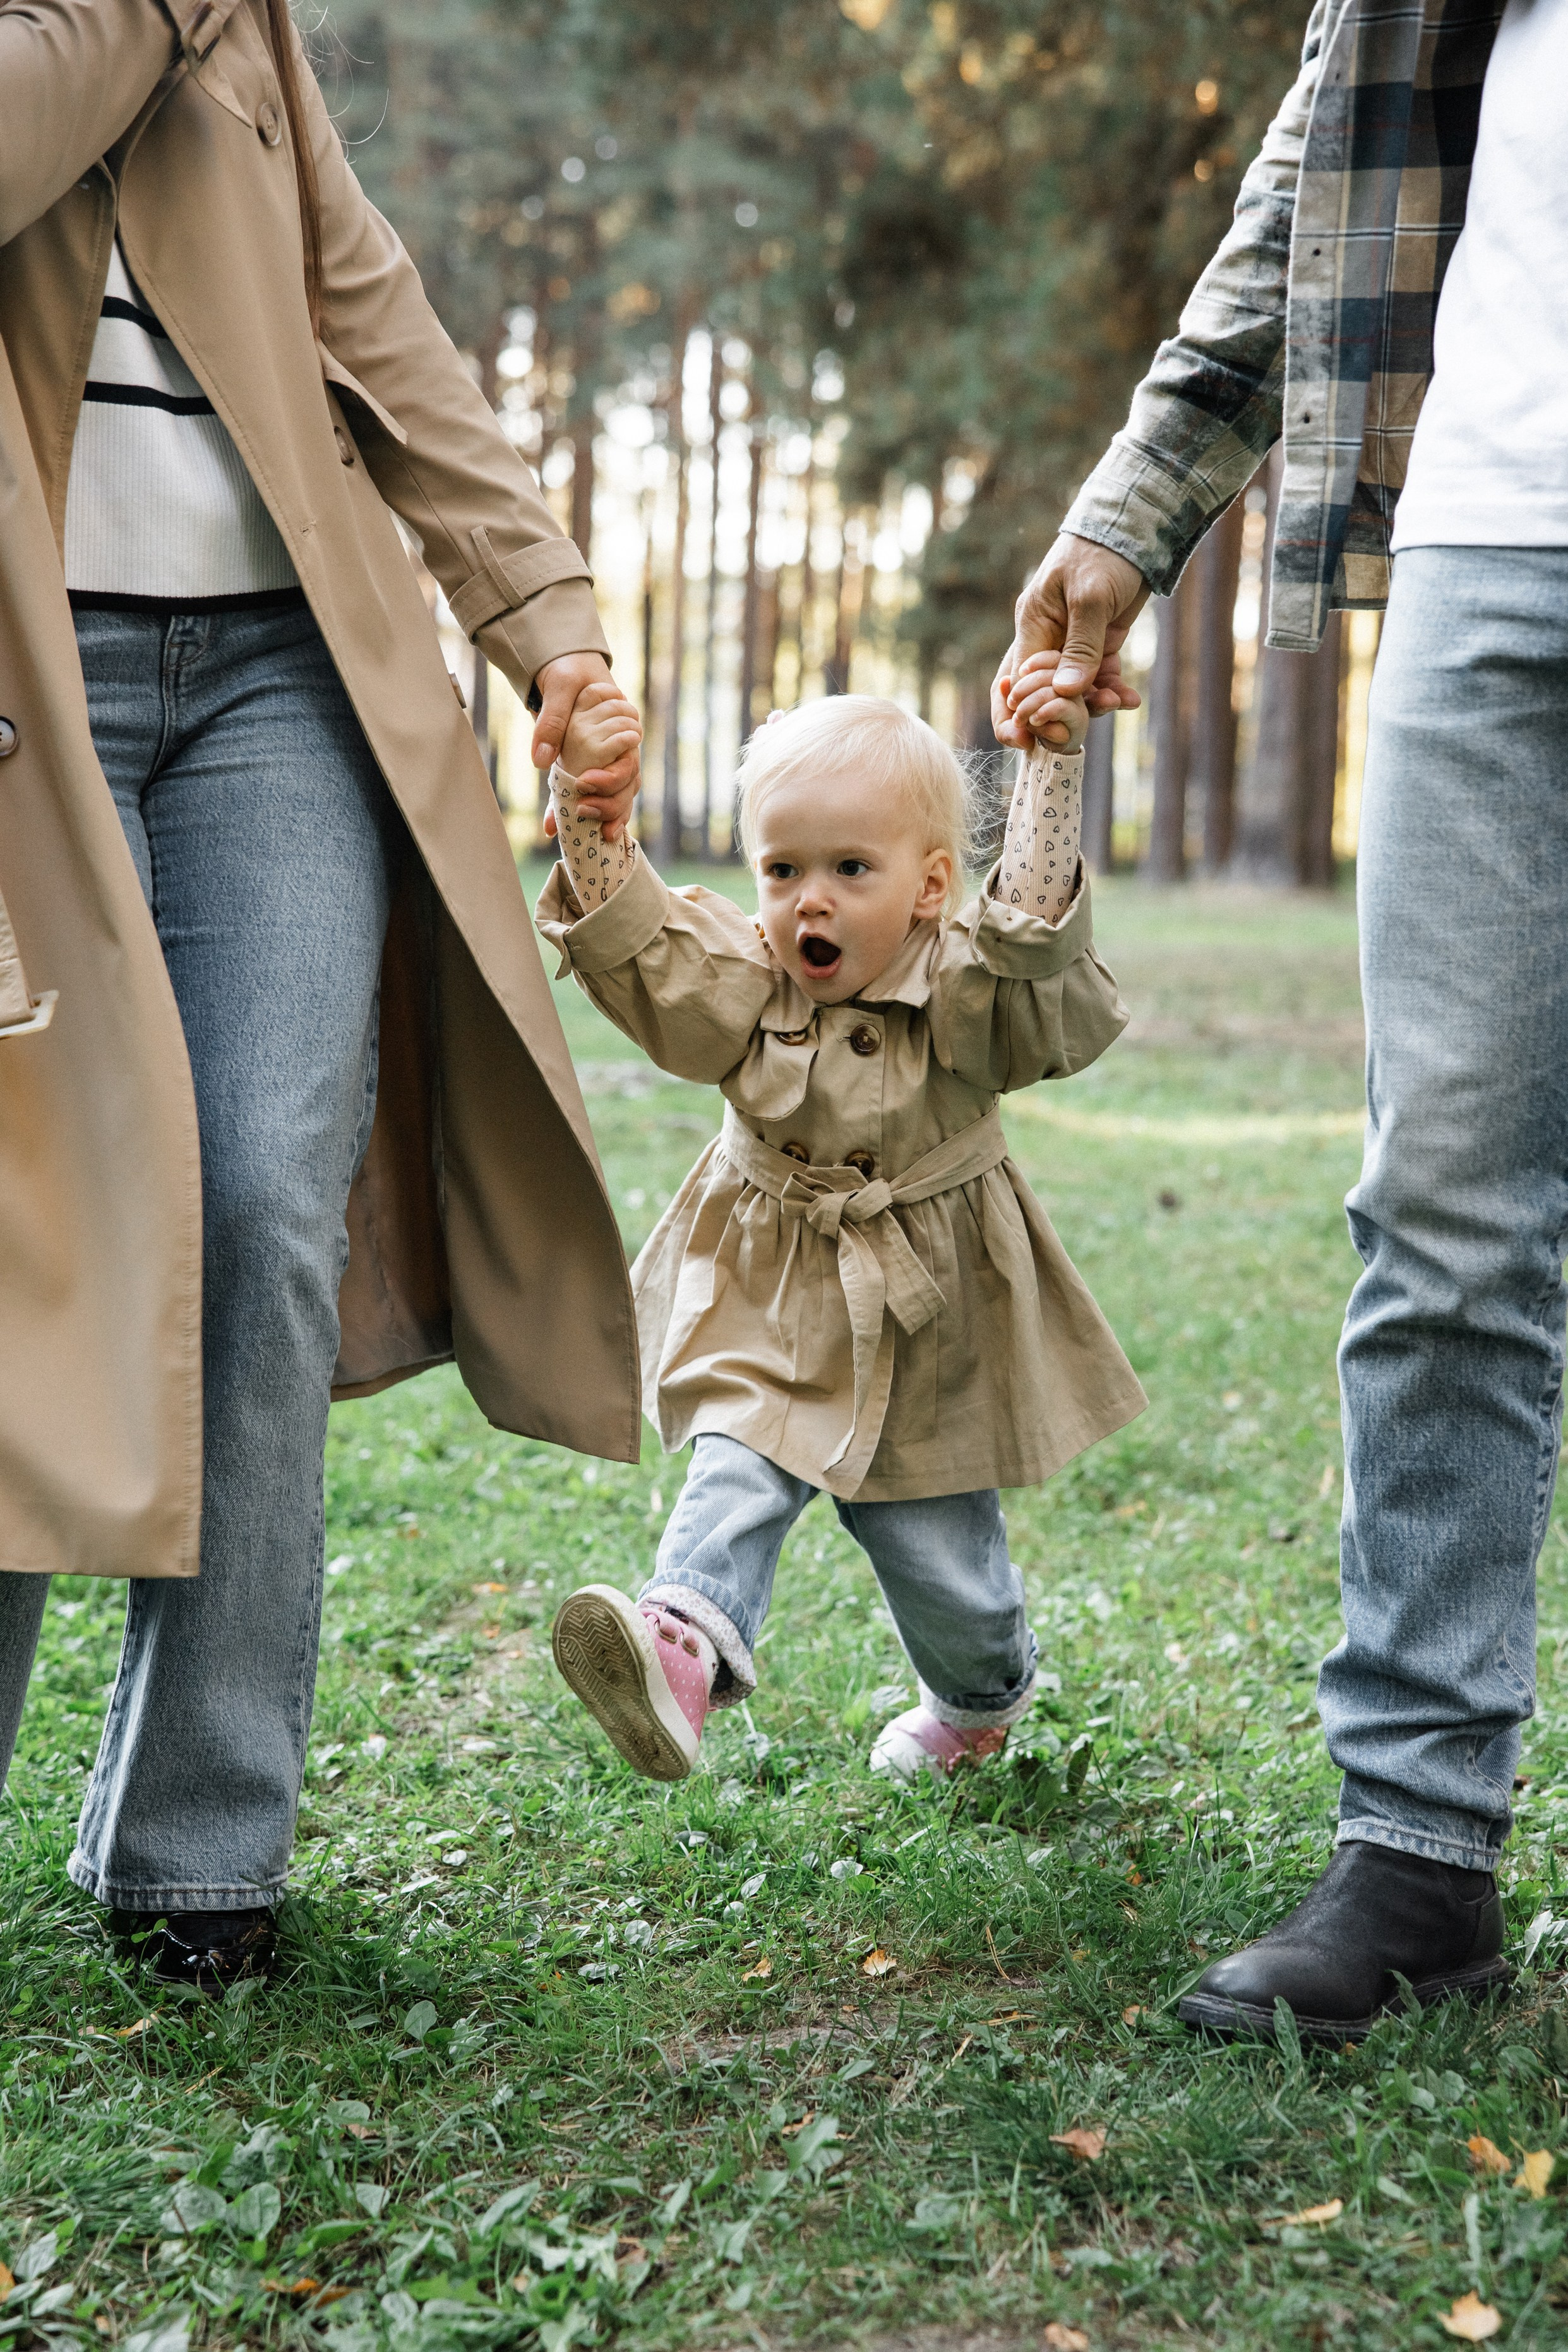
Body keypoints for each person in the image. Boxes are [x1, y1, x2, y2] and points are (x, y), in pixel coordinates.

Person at [0, 0, 643, 1993]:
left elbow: (373, 317)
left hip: (278, 677)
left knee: (268, 1205)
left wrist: (547, 623)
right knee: (24, 1233)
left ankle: (202, 1849)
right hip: (31, 686)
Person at [994, 0, 1560, 2043]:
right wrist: (1133, 506)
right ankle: (1416, 1850)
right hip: (1495, 529)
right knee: (1447, 1217)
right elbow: (1323, 153)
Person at [537, 678, 1146, 1783]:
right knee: (736, 1463)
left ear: (930, 886)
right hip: (769, 1281)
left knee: (939, 1555)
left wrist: (1050, 767)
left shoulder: (966, 986)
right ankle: (677, 1651)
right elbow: (645, 950)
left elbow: (1034, 943)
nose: (808, 902)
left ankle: (976, 1705)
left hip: (932, 1303)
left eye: (849, 871)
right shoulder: (746, 983)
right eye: (783, 870)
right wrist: (590, 813)